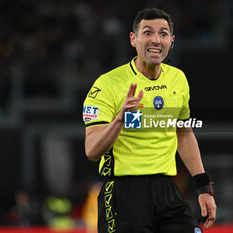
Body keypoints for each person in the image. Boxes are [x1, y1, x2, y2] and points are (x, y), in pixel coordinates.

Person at [83, 8, 216, 233]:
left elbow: (183, 134)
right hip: (123, 194)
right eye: (147, 32)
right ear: (133, 39)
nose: (156, 40)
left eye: (163, 34)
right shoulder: (107, 85)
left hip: (167, 191)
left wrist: (203, 187)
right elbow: (92, 151)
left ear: (171, 42)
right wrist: (119, 120)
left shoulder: (178, 79)